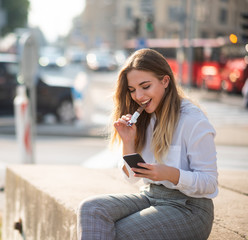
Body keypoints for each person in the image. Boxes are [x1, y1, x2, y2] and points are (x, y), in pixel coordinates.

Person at [77, 48, 218, 240]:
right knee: (91, 209)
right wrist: (128, 142)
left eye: (145, 86)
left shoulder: (192, 120)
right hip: (151, 196)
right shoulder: (144, 118)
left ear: (165, 81)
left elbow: (209, 184)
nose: (138, 96)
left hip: (190, 208)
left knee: (118, 233)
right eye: (132, 90)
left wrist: (170, 174)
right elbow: (131, 178)